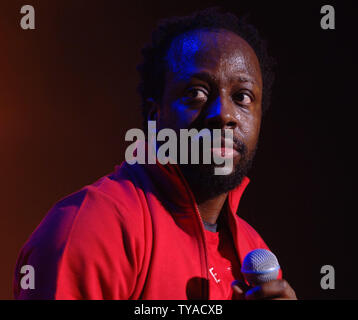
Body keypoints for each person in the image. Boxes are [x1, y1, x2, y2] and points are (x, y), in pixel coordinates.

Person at [14, 7, 296, 300]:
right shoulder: (93, 228)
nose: (223, 114)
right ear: (154, 115)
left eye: (242, 97)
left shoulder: (254, 252)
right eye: (196, 93)